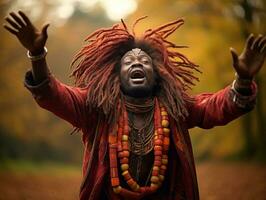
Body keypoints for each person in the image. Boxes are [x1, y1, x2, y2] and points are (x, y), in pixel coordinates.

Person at [4, 11, 265, 200]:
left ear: (157, 74)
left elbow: (213, 107)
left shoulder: (174, 107)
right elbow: (54, 95)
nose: (137, 63)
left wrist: (242, 80)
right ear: (116, 74)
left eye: (144, 61)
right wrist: (37, 56)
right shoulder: (95, 107)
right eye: (128, 61)